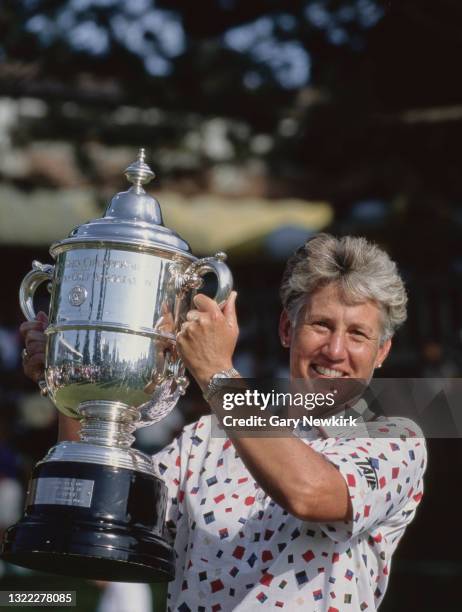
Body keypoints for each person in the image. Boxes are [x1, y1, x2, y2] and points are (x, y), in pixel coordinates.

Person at [21, 234, 427, 611]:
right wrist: (76, 390)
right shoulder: (205, 439)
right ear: (288, 329)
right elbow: (99, 525)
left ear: (382, 352)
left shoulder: (396, 440)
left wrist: (216, 374)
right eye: (321, 325)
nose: (336, 349)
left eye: (358, 334)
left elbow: (310, 494)